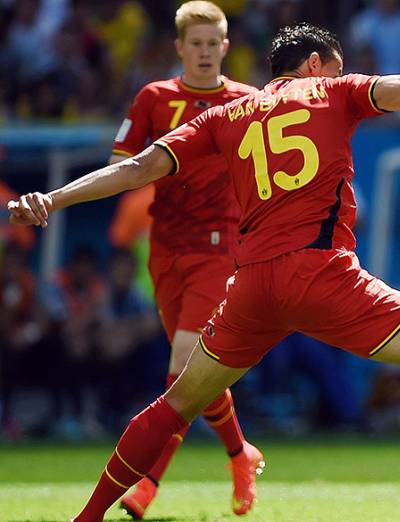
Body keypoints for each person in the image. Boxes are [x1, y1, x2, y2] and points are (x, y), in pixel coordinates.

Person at [8, 23, 400, 522]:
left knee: (175, 405)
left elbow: (138, 167)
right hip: (322, 275)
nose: (337, 76)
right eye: (334, 68)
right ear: (313, 64)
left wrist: (54, 197)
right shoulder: (334, 92)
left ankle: (88, 513)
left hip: (252, 287)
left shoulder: (226, 116)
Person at [107, 2, 262, 517]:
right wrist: (165, 167)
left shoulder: (247, 101)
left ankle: (148, 484)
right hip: (165, 245)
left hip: (220, 247)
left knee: (181, 368)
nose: (203, 52)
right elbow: (119, 163)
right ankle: (240, 455)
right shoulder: (155, 98)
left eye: (211, 43)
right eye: (193, 44)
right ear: (179, 47)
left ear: (225, 46)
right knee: (194, 373)